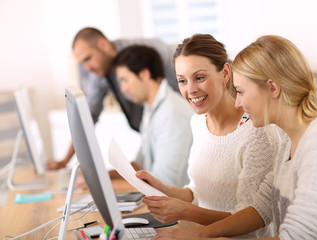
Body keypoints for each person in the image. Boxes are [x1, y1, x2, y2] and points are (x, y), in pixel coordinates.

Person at [152, 35, 317, 240]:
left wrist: (198, 235)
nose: (237, 103)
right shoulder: (289, 142)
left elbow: (298, 236)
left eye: (241, 91)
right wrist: (199, 234)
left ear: (272, 88)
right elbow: (260, 209)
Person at [135, 34, 280, 238]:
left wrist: (185, 211)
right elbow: (197, 192)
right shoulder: (198, 123)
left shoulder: (257, 132)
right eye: (182, 81)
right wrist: (164, 189)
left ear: (225, 73)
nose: (191, 90)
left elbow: (252, 222)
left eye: (200, 78)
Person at [47, 27, 179, 170]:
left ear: (103, 44)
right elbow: (87, 117)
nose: (87, 69)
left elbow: (188, 87)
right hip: (150, 135)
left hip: (176, 129)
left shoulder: (150, 52)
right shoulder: (99, 73)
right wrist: (65, 161)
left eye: (88, 59)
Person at [113, 45, 193, 186]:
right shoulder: (151, 107)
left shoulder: (171, 112)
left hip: (175, 202)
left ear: (144, 74)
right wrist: (106, 177)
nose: (123, 89)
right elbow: (140, 164)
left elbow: (164, 181)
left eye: (125, 80)